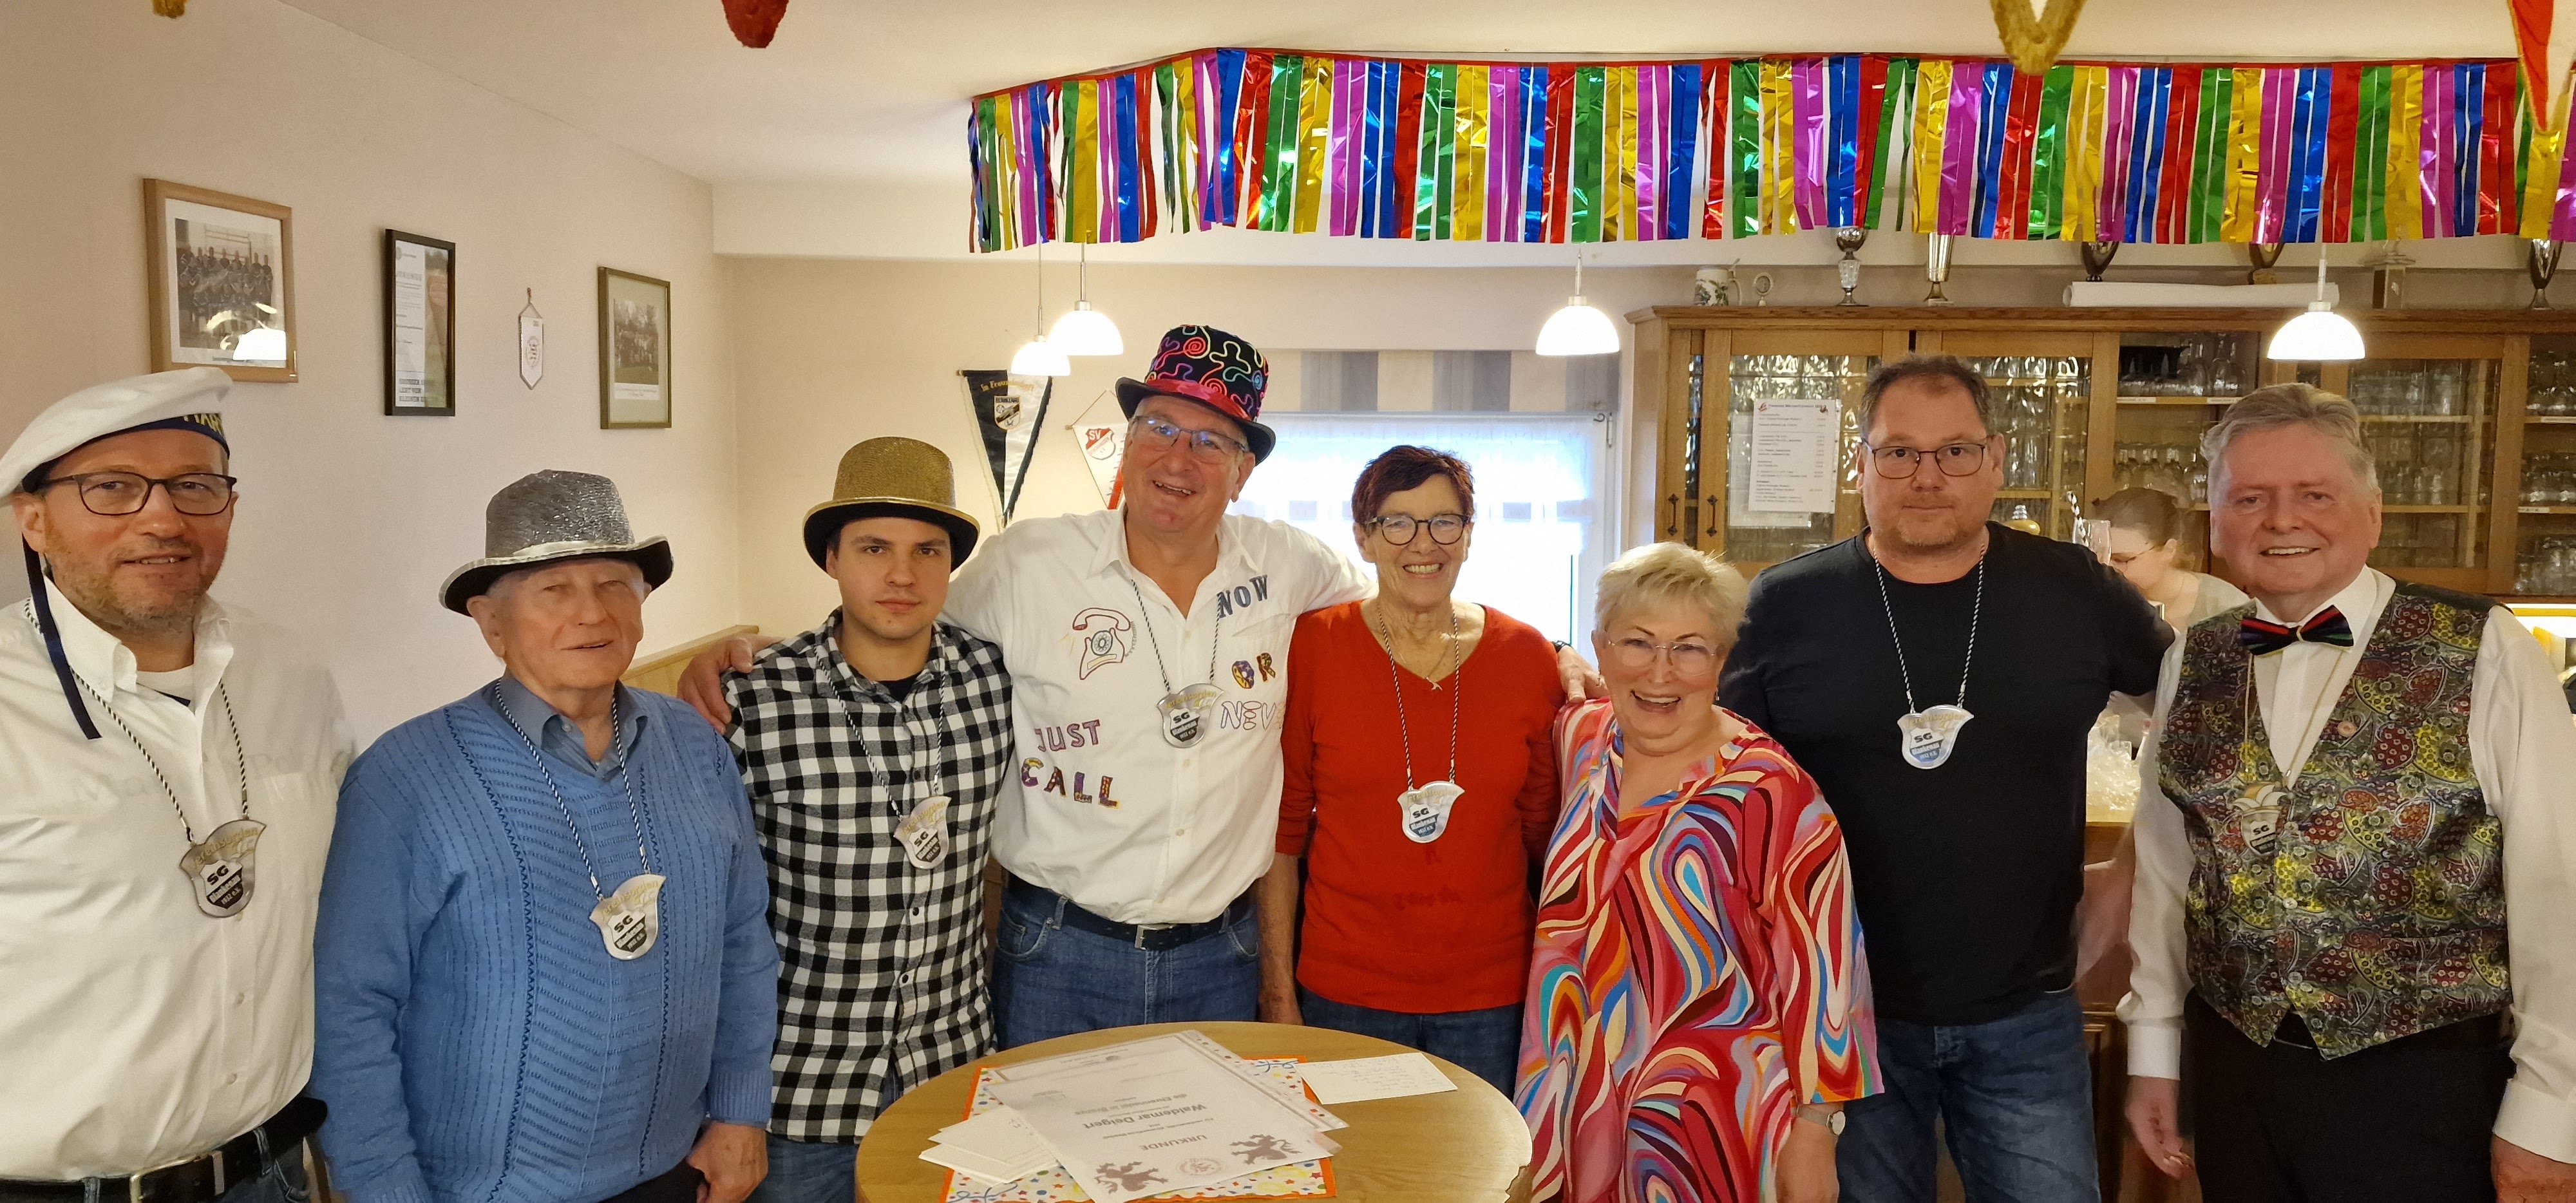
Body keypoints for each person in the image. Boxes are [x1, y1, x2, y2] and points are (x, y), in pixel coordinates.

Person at [677, 326, 1599, 1048]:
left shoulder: (1292, 567)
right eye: (1158, 427)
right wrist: (760, 648)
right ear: (1126, 441)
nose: (1177, 458)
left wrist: (1553, 655)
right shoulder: (1028, 564)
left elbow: (1409, 603)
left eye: (1210, 441)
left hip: (1224, 954)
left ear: (1243, 471)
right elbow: (898, 612)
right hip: (1056, 949)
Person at [1719, 354, 2168, 1202]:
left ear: (1995, 460)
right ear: (1860, 465)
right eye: (1899, 452)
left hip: (2025, 1009)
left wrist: (2132, 865)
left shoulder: (2076, 592)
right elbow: (1722, 783)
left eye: (1955, 452)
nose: (1927, 477)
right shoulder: (1786, 603)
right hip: (1840, 1015)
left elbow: (2199, 719)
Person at [2123, 384, 2576, 1202]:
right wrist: (2154, 1047)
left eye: (2314, 494)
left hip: (2424, 1083)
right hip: (2235, 1071)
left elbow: (2558, 883)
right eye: (2249, 498)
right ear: (2214, 523)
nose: (2280, 519)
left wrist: (2551, 1110)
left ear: (2371, 513)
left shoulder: (2483, 646)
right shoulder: (2192, 657)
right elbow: (2167, 872)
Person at [310, 471, 777, 1203]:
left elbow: (744, 940)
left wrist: (741, 1111)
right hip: (476, 1191)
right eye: (554, 590)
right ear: (491, 623)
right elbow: (348, 1008)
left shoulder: (696, 745)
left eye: (614, 585)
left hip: (679, 1166)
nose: (592, 613)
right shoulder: (404, 779)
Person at [0, 368, 352, 1203]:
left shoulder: (292, 673)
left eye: (195, 486)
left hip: (269, 1173)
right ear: (34, 519)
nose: (162, 518)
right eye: (112, 487)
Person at [1520, 542, 1877, 1203]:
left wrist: (1818, 1130)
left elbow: (1828, 976)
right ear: (1601, 648)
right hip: (1573, 1097)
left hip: (1714, 1123)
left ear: (1722, 660)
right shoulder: (1584, 739)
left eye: (1689, 648)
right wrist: (1556, 651)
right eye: (1637, 642)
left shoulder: (1772, 791)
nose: (1660, 672)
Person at [723, 439, 1013, 1203]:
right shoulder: (751, 698)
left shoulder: (998, 680)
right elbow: (715, 912)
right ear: (832, 558)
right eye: (873, 547)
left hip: (952, 1072)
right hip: (799, 1086)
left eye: (927, 550)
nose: (901, 574)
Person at [1258, 446, 1563, 1095]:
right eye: (1396, 523)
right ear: (1363, 538)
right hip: (1344, 992)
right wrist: (1278, 993)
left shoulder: (1528, 656)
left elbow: (1546, 832)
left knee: (1482, 1160)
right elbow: (1282, 835)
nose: (1423, 543)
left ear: (1469, 535)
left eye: (1444, 522)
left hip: (1493, 996)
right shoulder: (1313, 646)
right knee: (1356, 1159)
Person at [2092, 486, 2247, 634]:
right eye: (2099, 557)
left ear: (2169, 550)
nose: (2107, 567)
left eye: (2122, 560)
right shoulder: (2097, 599)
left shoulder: (2228, 609)